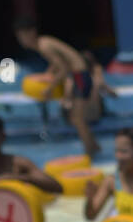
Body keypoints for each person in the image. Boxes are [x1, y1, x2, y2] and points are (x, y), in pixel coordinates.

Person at [13, 18, 100, 158]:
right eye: (19, 37)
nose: (21, 40)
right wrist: (47, 74)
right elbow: (59, 62)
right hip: (80, 75)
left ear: (32, 32)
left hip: (80, 76)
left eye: (22, 36)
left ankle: (90, 152)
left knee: (77, 119)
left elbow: (64, 69)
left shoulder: (44, 46)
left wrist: (49, 88)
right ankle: (94, 147)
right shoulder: (45, 41)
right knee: (78, 118)